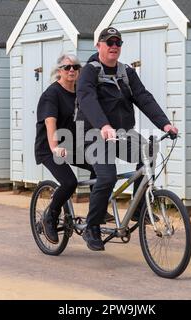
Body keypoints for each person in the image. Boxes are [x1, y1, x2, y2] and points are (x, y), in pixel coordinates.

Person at [76, 28, 179, 251]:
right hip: (92, 134)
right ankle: (92, 227)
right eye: (109, 42)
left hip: (121, 133)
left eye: (118, 42)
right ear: (99, 45)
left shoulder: (126, 72)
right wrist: (103, 125)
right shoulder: (89, 71)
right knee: (107, 176)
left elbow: (143, 97)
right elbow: (87, 99)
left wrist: (165, 124)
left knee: (150, 149)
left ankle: (140, 207)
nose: (114, 46)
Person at [35, 54, 99, 245]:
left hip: (72, 145)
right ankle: (50, 216)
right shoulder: (51, 94)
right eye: (67, 67)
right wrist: (55, 147)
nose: (72, 70)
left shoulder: (80, 93)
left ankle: (98, 211)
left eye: (76, 67)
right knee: (69, 182)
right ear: (59, 71)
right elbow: (50, 122)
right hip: (49, 148)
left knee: (100, 167)